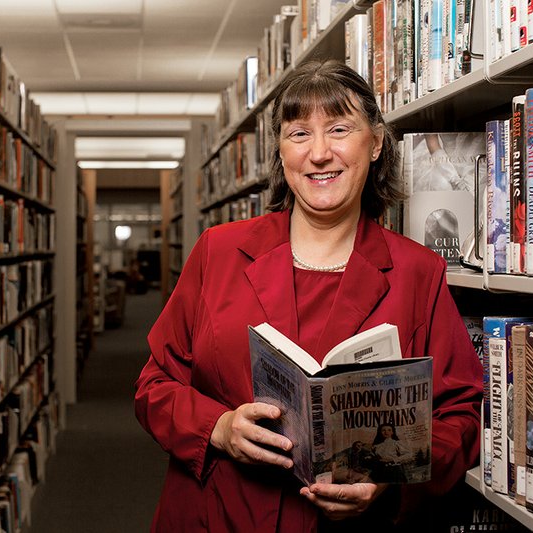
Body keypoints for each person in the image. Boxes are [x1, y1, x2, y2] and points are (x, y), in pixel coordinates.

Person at [134, 59, 482, 531]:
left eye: (339, 129)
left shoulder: (417, 272)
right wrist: (217, 428)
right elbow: (154, 385)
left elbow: (459, 416)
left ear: (376, 143)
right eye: (299, 134)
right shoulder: (218, 251)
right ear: (280, 153)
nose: (319, 153)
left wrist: (389, 475)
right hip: (217, 514)